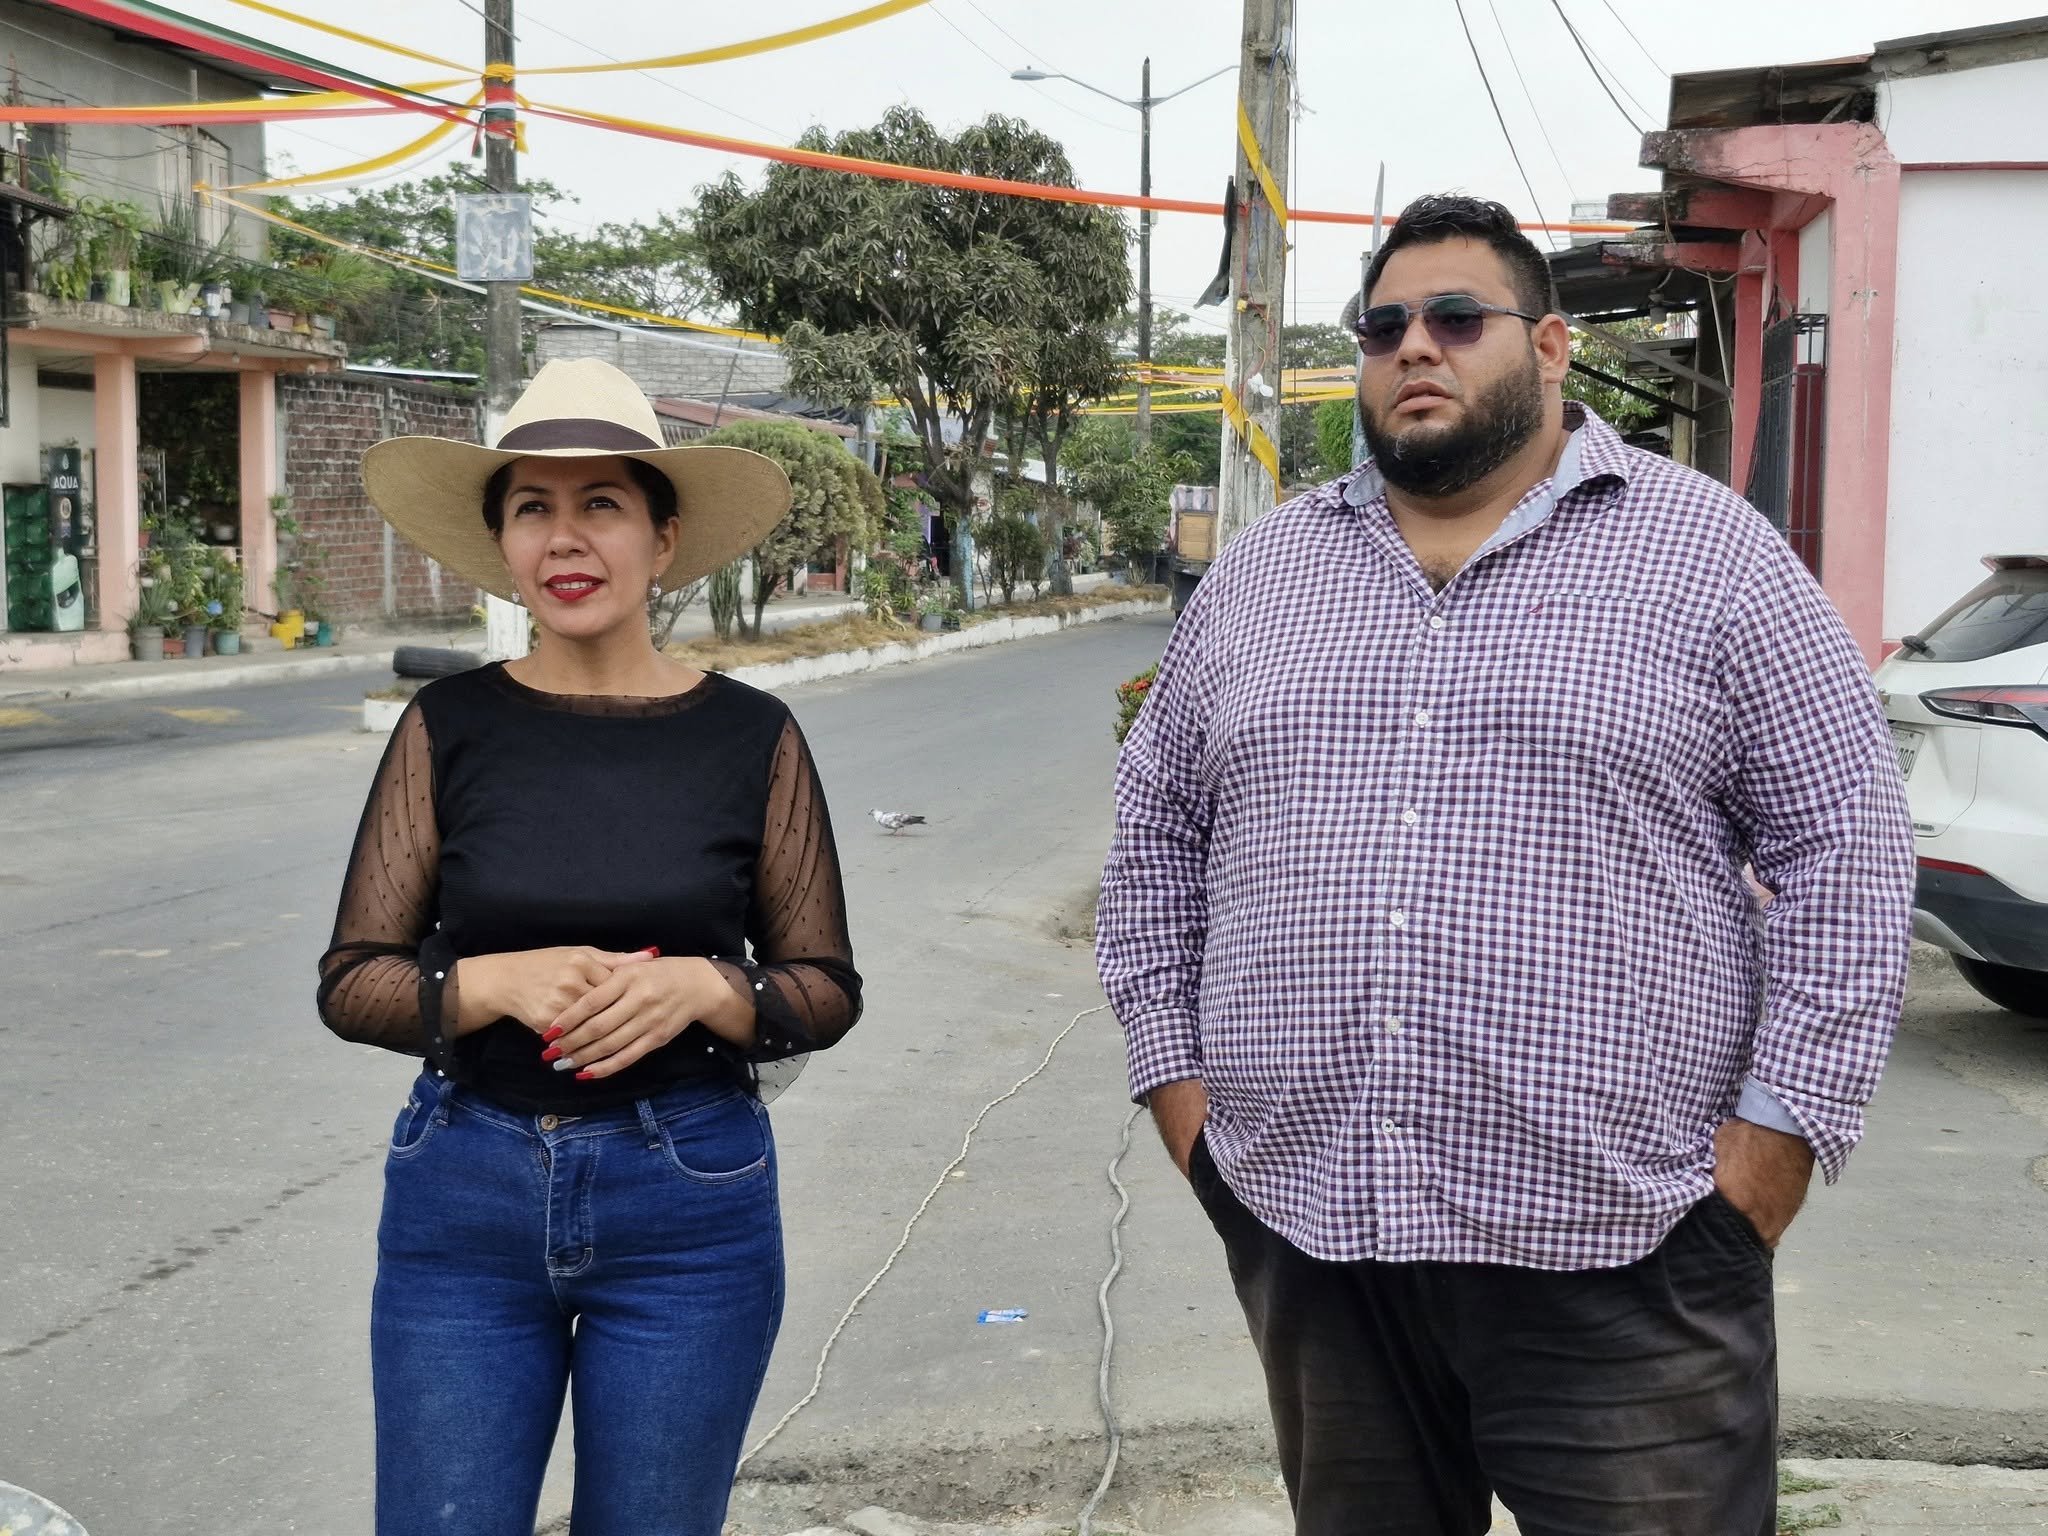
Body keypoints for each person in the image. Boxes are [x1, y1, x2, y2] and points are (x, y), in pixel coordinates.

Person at [1096, 194, 1915, 1535]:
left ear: (1547, 346)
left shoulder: (1711, 558)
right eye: (1382, 327)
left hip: (1630, 1249)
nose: (1414, 346)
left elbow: (1850, 853)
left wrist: (1769, 1153)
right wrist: (1187, 1108)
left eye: (1455, 317)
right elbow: (1155, 841)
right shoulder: (1262, 577)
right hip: (1314, 1234)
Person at [317, 358, 862, 1536]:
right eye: (533, 508)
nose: (564, 537)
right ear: (504, 543)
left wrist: (707, 990)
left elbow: (822, 986)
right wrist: (485, 983)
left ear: (662, 540)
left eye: (600, 504)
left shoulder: (752, 735)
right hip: (464, 1199)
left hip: (689, 1209)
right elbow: (354, 980)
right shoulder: (447, 726)